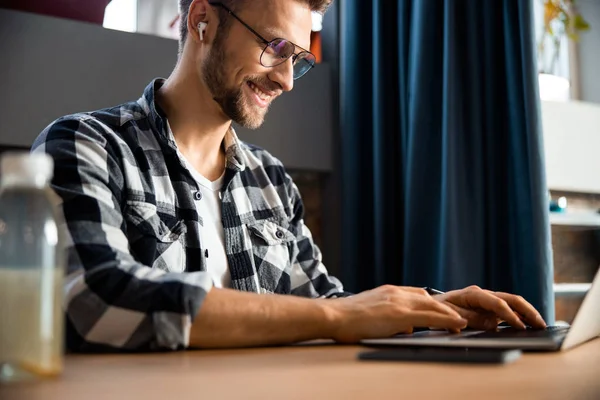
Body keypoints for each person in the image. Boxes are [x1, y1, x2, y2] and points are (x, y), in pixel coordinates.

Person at [32, 0, 546, 352]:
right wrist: (340, 318)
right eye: (274, 48)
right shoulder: (83, 145)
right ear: (203, 18)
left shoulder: (271, 180)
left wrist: (430, 310)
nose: (284, 79)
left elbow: (322, 307)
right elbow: (94, 300)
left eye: (297, 60)